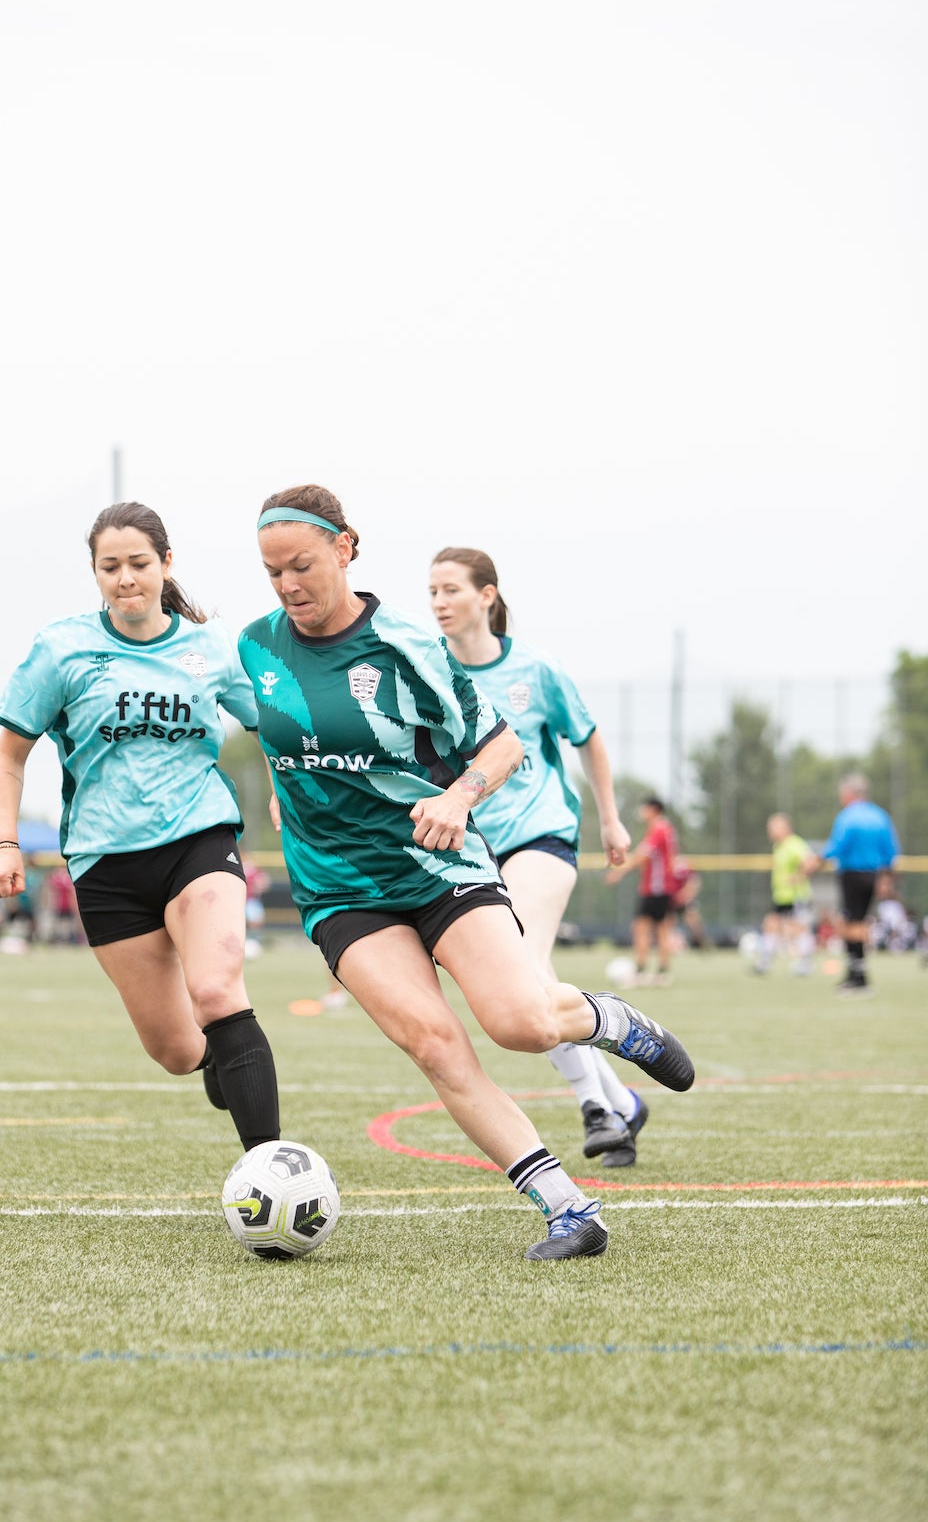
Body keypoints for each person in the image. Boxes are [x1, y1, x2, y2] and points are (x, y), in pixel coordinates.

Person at [241, 485, 694, 1263]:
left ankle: (614, 1021)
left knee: (520, 1022)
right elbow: (275, 733)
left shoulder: (408, 647)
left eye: (302, 565)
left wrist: (460, 794)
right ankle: (569, 1211)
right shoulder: (257, 647)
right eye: (272, 571)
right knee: (435, 1044)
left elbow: (503, 746)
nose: (288, 586)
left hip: (438, 866)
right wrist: (288, 796)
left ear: (347, 546)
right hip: (341, 891)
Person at [0, 502, 282, 1153]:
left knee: (217, 987)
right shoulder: (62, 649)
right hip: (106, 864)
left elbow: (271, 727)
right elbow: (9, 756)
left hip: (198, 837)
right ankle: (215, 1060)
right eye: (109, 566)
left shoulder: (211, 648)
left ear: (166, 564)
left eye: (138, 564)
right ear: (94, 574)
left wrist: (286, 790)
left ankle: (271, 1171)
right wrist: (5, 841)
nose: (125, 578)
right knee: (175, 1048)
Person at [428, 546, 649, 1169]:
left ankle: (597, 1109)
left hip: (543, 834)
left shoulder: (537, 669)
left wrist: (609, 816)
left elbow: (589, 739)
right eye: (433, 592)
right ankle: (621, 1100)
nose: (440, 603)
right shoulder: (431, 670)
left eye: (451, 590)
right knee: (527, 983)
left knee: (523, 969)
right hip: (476, 850)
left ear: (486, 596)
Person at [803, 775, 900, 990]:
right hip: (872, 875)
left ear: (849, 793)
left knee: (851, 924)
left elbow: (836, 846)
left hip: (852, 875)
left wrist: (815, 862)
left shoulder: (848, 817)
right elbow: (891, 852)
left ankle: (858, 977)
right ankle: (856, 974)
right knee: (857, 921)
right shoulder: (880, 816)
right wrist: (887, 879)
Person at [606, 796, 680, 983]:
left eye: (644, 808)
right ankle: (662, 972)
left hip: (656, 888)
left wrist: (619, 872)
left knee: (642, 928)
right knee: (661, 929)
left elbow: (642, 856)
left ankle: (641, 970)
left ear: (653, 809)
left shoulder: (659, 829)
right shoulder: (666, 829)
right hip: (663, 887)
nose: (641, 811)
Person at [753, 814, 814, 975]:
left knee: (798, 929)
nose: (770, 832)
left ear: (784, 828)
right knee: (771, 924)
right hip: (782, 896)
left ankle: (805, 963)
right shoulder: (778, 846)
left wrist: (797, 878)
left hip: (796, 896)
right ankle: (764, 963)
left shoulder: (794, 844)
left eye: (772, 828)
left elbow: (810, 863)